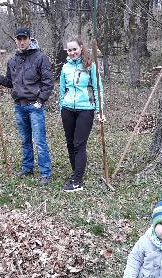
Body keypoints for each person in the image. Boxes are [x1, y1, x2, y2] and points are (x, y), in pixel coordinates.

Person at [0, 27, 54, 186]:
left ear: (30, 39)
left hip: (35, 106)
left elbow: (48, 82)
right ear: (15, 40)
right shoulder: (12, 60)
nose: (22, 41)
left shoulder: (40, 58)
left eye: (24, 38)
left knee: (39, 141)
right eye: (19, 39)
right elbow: (11, 82)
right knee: (25, 140)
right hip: (19, 106)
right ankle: (27, 168)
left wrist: (41, 101)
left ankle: (45, 173)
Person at [59, 38, 104, 192]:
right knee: (70, 143)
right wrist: (61, 107)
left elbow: (98, 89)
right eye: (69, 50)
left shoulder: (90, 66)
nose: (72, 53)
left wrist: (99, 110)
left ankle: (77, 181)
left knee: (79, 144)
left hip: (85, 109)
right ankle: (76, 172)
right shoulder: (65, 67)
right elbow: (62, 90)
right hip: (67, 109)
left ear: (81, 48)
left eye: (74, 49)